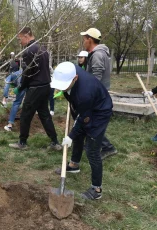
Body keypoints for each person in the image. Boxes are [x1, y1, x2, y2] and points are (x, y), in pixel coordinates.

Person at [51, 62, 113, 200]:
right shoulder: (69, 69)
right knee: (78, 135)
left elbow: (84, 118)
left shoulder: (85, 94)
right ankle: (74, 165)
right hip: (85, 107)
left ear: (75, 79)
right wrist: (74, 133)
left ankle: (96, 189)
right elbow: (79, 112)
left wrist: (71, 135)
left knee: (92, 150)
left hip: (99, 112)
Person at [9, 27, 62, 151]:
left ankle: (22, 143)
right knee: (45, 115)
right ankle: (55, 142)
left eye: (20, 38)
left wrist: (20, 87)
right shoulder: (42, 49)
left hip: (35, 89)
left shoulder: (29, 51)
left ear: (26, 36)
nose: (19, 42)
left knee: (25, 115)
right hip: (45, 87)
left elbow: (28, 73)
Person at [81, 28, 117, 160]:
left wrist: (87, 94)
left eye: (84, 39)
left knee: (92, 122)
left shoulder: (97, 55)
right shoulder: (98, 53)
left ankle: (108, 147)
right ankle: (89, 144)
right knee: (89, 121)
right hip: (99, 93)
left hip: (97, 95)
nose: (83, 42)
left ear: (90, 39)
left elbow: (96, 77)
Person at [3, 62, 25, 132]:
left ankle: (10, 125)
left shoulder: (12, 74)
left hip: (22, 85)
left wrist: (5, 98)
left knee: (16, 103)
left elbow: (7, 86)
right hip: (33, 85)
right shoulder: (23, 70)